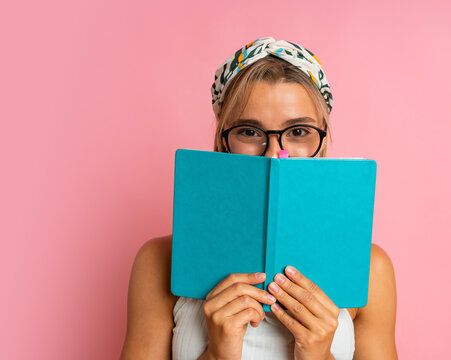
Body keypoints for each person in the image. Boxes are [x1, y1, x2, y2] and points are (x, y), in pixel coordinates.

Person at [121, 37, 398, 360]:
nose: (275, 154)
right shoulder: (160, 261)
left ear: (321, 140)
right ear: (223, 141)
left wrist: (320, 357)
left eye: (298, 132)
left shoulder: (369, 270)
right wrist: (217, 356)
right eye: (250, 132)